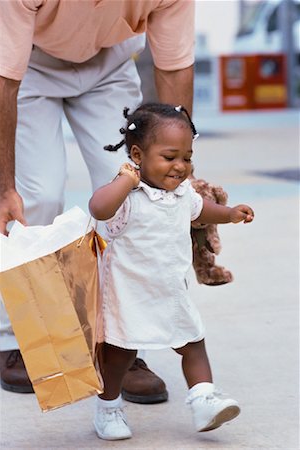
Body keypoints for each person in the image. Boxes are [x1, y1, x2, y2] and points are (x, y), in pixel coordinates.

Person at [0, 0, 195, 401]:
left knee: (135, 193)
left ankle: (123, 345)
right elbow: (5, 80)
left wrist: (178, 176)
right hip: (29, 64)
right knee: (37, 196)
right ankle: (16, 338)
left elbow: (174, 66)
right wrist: (4, 185)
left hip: (109, 65)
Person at [89, 102, 254, 441]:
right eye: (170, 157)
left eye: (187, 157)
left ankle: (204, 399)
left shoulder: (182, 194)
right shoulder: (129, 196)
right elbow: (99, 209)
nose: (181, 166)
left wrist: (231, 213)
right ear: (138, 154)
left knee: (193, 343)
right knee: (120, 354)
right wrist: (124, 180)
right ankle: (107, 408)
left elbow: (202, 211)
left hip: (170, 290)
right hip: (128, 295)